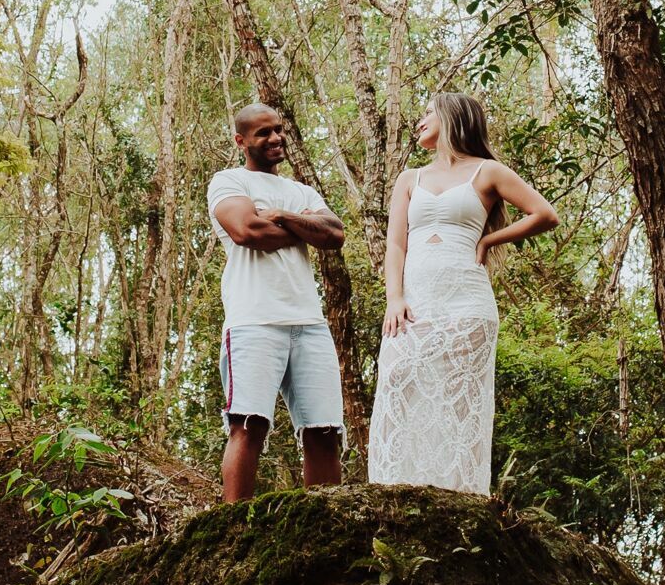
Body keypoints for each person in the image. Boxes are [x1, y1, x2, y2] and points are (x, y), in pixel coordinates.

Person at [368, 92, 558, 494]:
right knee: (397, 377)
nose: (419, 120)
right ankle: (394, 489)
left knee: (460, 399)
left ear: (451, 117)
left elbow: (545, 215)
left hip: (467, 302)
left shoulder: (487, 172)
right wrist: (394, 298)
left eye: (427, 112)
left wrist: (489, 240)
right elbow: (396, 245)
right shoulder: (410, 179)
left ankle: (458, 495)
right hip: (414, 300)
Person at [207, 102, 348, 503]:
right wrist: (306, 227)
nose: (275, 138)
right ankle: (234, 524)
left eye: (279, 130)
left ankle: (323, 524)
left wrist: (283, 216)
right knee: (249, 425)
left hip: (309, 323)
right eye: (263, 133)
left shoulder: (301, 191)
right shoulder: (229, 181)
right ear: (241, 141)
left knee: (323, 431)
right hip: (254, 320)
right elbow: (248, 231)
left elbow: (335, 235)